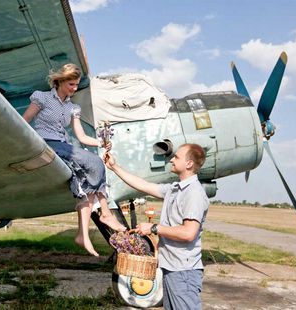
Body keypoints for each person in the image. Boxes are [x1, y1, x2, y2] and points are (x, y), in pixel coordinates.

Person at [22, 63, 125, 257]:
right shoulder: (42, 97)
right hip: (45, 143)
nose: (74, 88)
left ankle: (82, 234)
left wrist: (103, 143)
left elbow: (82, 137)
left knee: (86, 178)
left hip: (65, 146)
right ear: (59, 81)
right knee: (94, 163)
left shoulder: (72, 108)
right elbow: (23, 121)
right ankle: (106, 213)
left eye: (77, 84)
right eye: (71, 84)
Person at [105, 144, 209, 310]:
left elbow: (189, 233)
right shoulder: (175, 189)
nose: (172, 159)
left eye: (177, 157)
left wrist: (154, 228)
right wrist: (114, 167)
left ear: (189, 164)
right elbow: (143, 185)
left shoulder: (193, 193)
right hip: (171, 268)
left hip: (183, 272)